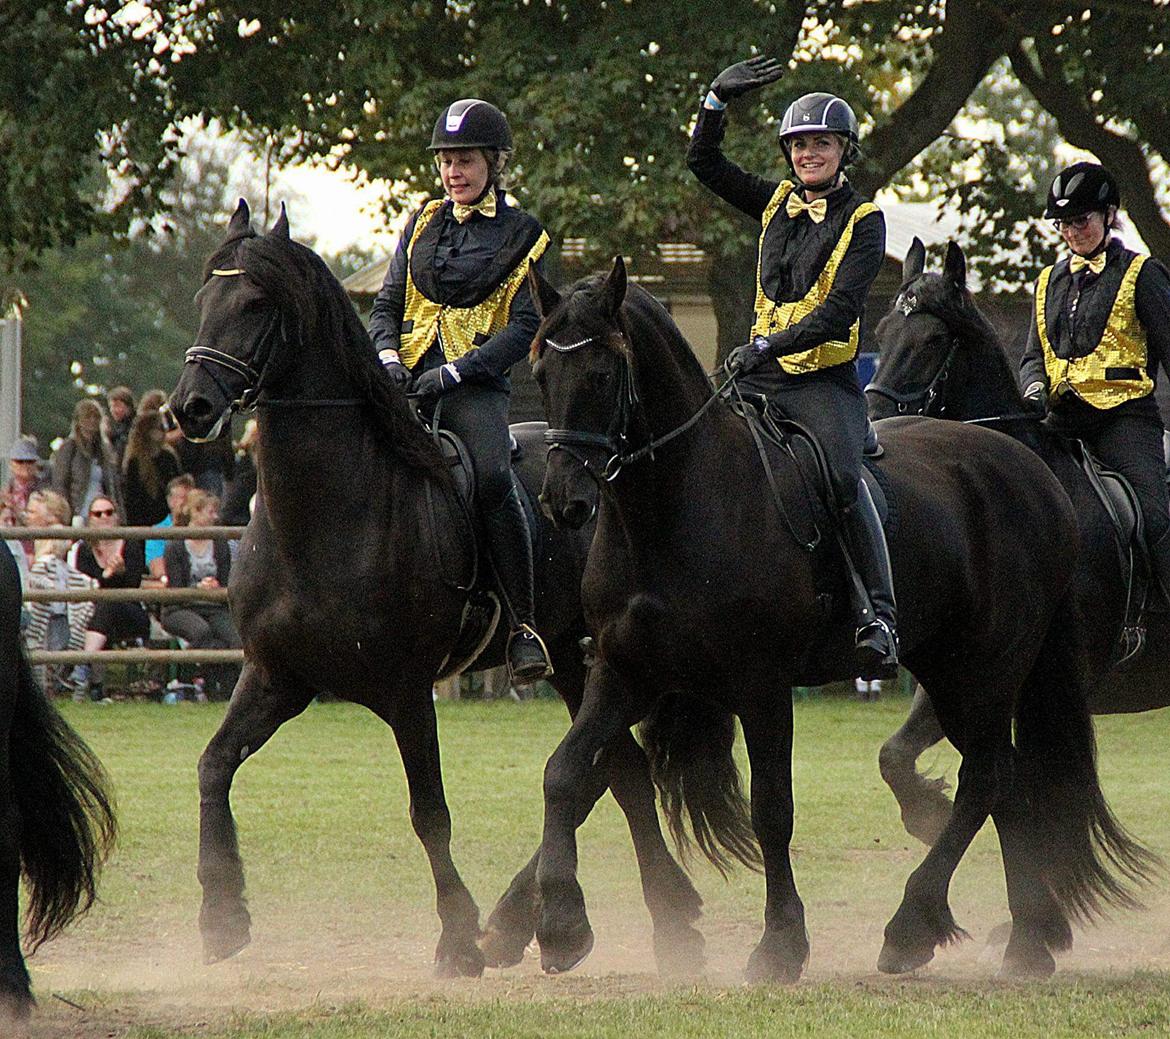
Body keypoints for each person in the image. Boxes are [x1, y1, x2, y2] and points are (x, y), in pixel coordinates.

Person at [687, 57, 898, 679]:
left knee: (837, 477)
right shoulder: (776, 203)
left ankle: (877, 615)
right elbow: (704, 165)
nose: (810, 153)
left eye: (822, 144)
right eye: (800, 144)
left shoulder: (865, 220)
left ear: (843, 151)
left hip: (823, 383)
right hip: (758, 376)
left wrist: (765, 347)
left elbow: (837, 314)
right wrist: (714, 102)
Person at [368, 97, 554, 684]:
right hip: (407, 383)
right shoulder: (422, 221)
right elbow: (386, 303)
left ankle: (524, 624)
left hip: (476, 389)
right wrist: (389, 355)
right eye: (447, 160)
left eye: (465, 159)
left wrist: (459, 370)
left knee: (495, 478)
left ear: (493, 163)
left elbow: (527, 326)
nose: (454, 171)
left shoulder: (526, 235)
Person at [1020, 161, 1170, 592]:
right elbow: (1035, 355)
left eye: (1080, 220)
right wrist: (1033, 388)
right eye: (1063, 224)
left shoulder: (1142, 274)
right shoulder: (1047, 281)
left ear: (1108, 216)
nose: (1071, 231)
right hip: (1061, 421)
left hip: (1123, 419)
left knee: (1153, 518)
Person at [65, 495, 150, 700]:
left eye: (109, 512)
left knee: (109, 602)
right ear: (90, 519)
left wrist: (120, 573)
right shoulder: (85, 550)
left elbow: (133, 586)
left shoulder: (130, 546)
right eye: (98, 513)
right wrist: (106, 576)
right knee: (103, 607)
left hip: (129, 612)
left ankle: (84, 665)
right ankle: (93, 684)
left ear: (117, 517)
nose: (104, 517)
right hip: (93, 614)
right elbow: (83, 584)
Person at [160, 490, 241, 697]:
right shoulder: (176, 545)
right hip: (181, 607)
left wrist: (216, 587)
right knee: (202, 632)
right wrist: (197, 589)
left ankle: (223, 687)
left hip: (214, 606)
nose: (215, 517)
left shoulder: (220, 543)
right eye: (210, 512)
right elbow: (176, 587)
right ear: (195, 512)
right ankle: (199, 679)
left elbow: (226, 579)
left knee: (236, 637)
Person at [22, 489, 96, 695]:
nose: (26, 516)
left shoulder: (56, 542)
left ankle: (58, 679)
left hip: (51, 610)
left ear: (52, 517)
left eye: (33, 512)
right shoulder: (21, 538)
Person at [51, 398, 118, 523]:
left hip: (102, 514)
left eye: (96, 417)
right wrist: (65, 516)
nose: (92, 421)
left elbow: (113, 487)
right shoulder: (69, 447)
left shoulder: (105, 450)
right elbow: (60, 484)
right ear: (78, 420)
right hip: (78, 514)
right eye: (88, 416)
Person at [145, 473, 195, 583]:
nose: (188, 504)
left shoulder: (203, 529)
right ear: (170, 501)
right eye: (183, 498)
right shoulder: (156, 532)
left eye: (191, 499)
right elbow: (158, 571)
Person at [4, 434, 47, 517]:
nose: (25, 465)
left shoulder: (45, 491)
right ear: (11, 464)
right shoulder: (5, 490)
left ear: (36, 464)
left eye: (30, 461)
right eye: (19, 461)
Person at [105, 385, 136, 469]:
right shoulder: (119, 427)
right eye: (111, 406)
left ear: (128, 406)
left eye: (117, 406)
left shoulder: (135, 425)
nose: (113, 410)